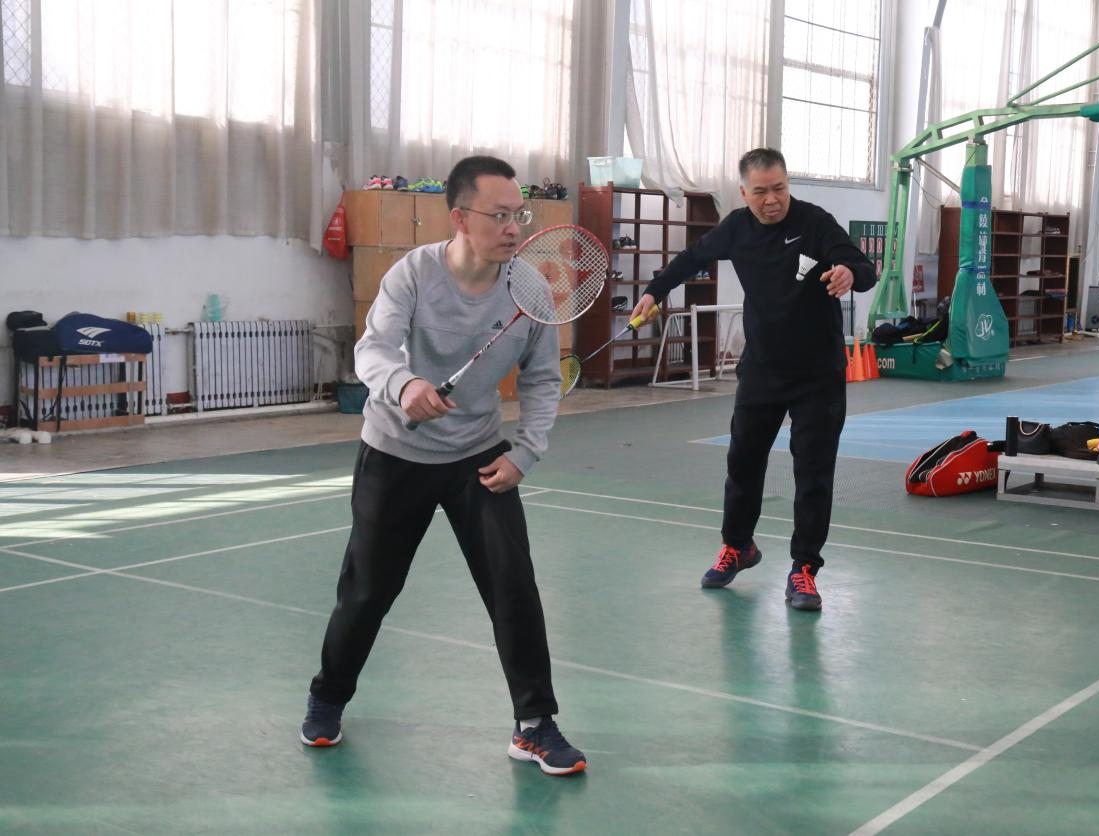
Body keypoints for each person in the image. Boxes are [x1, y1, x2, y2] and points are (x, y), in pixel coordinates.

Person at [301, 155, 586, 776]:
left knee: (513, 586)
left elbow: (543, 380)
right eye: (499, 215)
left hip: (479, 458)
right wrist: (404, 385)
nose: (512, 228)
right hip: (394, 452)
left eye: (519, 216)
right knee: (368, 590)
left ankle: (534, 724)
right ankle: (328, 697)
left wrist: (525, 452)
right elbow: (373, 349)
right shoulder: (414, 274)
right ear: (459, 217)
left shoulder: (529, 289)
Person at [631, 148, 876, 612]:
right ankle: (738, 546)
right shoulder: (736, 228)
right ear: (744, 193)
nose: (772, 199)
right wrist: (654, 291)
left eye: (779, 188)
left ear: (788, 185)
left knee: (813, 473)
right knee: (743, 463)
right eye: (761, 191)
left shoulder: (815, 222)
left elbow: (861, 266)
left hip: (818, 374)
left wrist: (849, 273)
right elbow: (692, 257)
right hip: (762, 369)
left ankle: (804, 568)